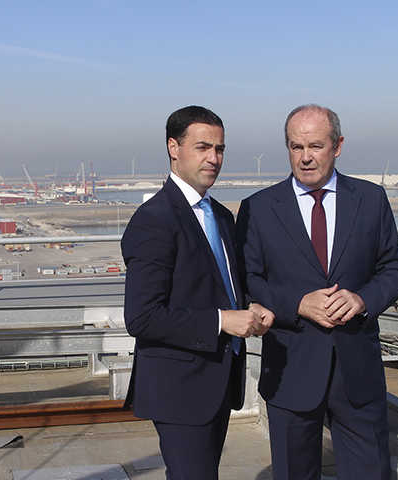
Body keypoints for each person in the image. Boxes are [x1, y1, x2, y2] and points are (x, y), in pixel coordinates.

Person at [236, 104, 398, 479]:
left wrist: (362, 299)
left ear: (338, 146)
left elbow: (395, 268)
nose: (306, 157)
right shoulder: (258, 209)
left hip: (357, 372)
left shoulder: (371, 200)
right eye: (296, 147)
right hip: (291, 371)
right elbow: (248, 279)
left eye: (315, 146)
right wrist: (297, 304)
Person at [121, 105, 273, 480]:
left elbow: (219, 286)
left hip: (216, 380)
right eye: (203, 147)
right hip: (180, 388)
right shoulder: (155, 220)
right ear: (174, 148)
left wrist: (250, 308)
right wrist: (224, 321)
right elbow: (141, 317)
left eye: (219, 149)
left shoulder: (220, 215)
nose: (214, 158)